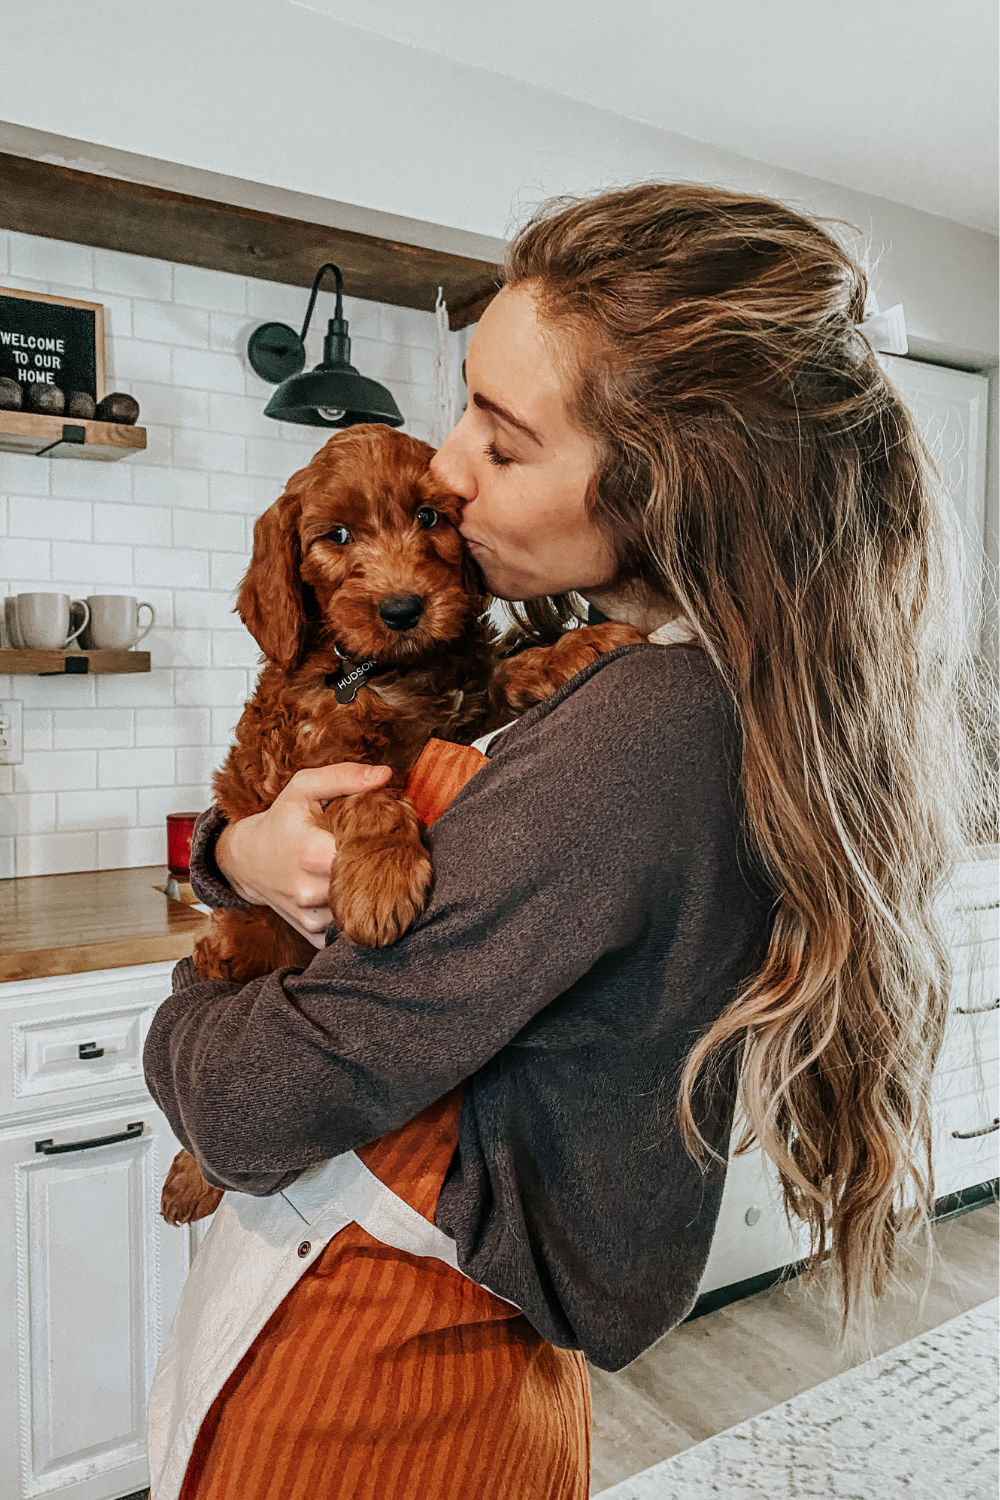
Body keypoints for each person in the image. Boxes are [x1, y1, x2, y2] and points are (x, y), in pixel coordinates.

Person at [143, 183, 986, 1500]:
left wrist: (184, 1007)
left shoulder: (638, 736)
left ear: (669, 491)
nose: (445, 465)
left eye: (502, 434)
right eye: (465, 400)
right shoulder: (640, 676)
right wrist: (232, 863)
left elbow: (261, 1099)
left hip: (378, 1389)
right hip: (431, 1356)